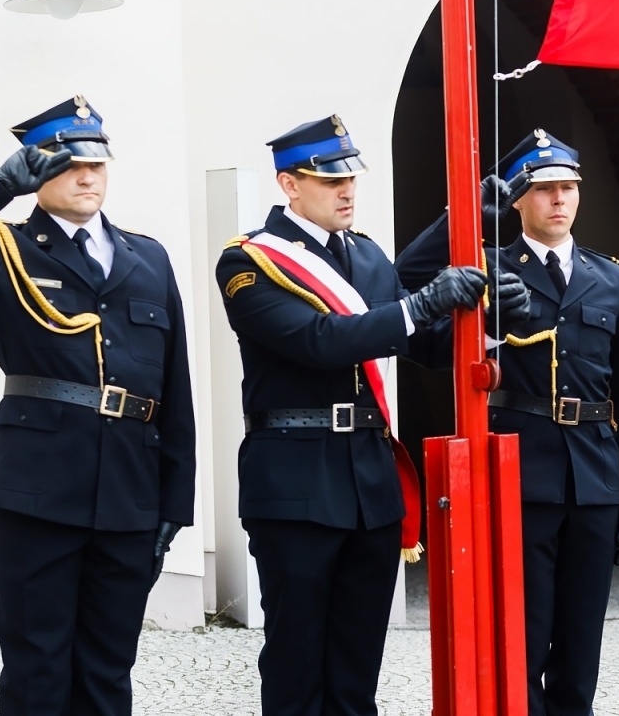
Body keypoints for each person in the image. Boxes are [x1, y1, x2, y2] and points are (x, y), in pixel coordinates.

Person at [0, 95, 196, 716]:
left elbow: (175, 387)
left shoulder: (149, 257)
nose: (86, 176)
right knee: (38, 663)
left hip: (131, 491)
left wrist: (176, 501)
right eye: (67, 164)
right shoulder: (2, 249)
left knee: (110, 668)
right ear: (37, 174)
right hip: (39, 488)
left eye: (98, 164)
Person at [215, 114, 527, 716]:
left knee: (357, 674)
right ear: (289, 185)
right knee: (297, 668)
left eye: (350, 177)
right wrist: (424, 303)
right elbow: (321, 340)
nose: (346, 190)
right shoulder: (252, 261)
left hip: (368, 482)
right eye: (328, 179)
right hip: (296, 485)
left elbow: (424, 346)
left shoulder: (367, 257)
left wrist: (490, 327)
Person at [396, 128, 619, 716]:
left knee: (581, 641)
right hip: (523, 478)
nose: (559, 200)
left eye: (568, 188)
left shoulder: (611, 279)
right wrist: (455, 222)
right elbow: (402, 295)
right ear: (516, 199)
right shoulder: (486, 267)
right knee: (523, 633)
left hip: (595, 478)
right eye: (543, 190)